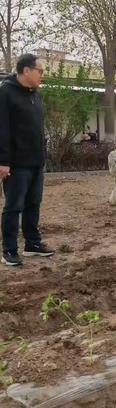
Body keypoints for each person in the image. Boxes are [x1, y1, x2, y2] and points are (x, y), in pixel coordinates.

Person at [0, 53, 55, 266]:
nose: (42, 75)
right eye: (39, 71)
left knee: (34, 203)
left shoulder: (35, 95)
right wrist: (3, 161)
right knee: (14, 206)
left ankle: (32, 243)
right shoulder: (5, 93)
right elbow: (2, 129)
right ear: (26, 70)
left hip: (35, 162)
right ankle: (9, 250)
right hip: (15, 164)